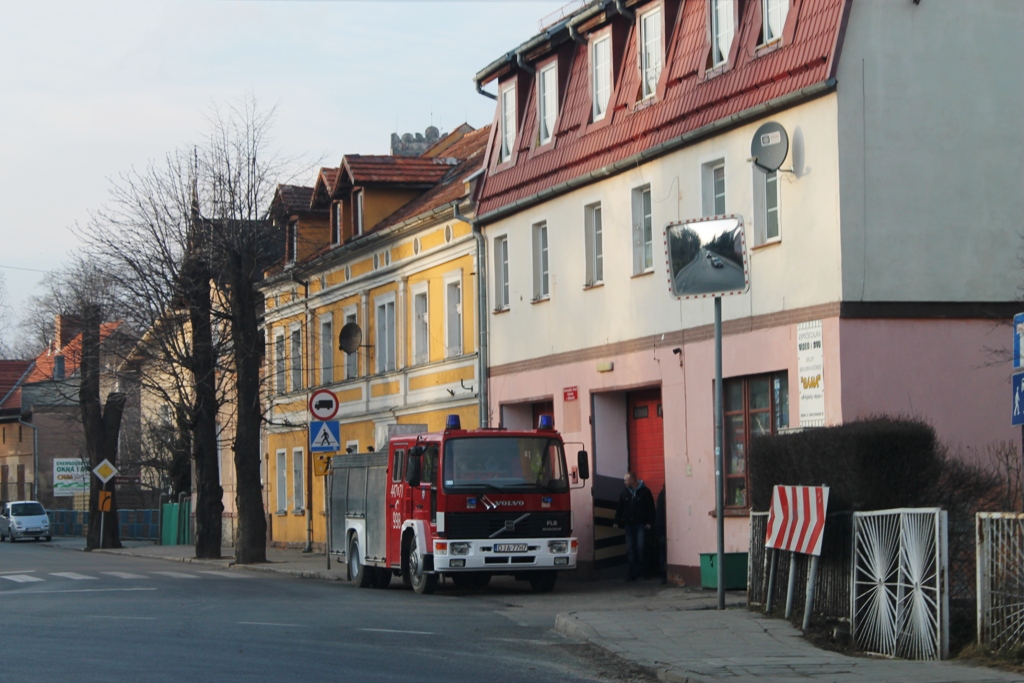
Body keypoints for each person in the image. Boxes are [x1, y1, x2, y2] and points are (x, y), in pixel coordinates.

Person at [613, 472, 656, 582]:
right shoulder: (625, 492)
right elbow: (620, 507)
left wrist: (650, 522)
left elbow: (651, 508)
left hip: (641, 524)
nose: (624, 482)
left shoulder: (645, 492)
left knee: (641, 548)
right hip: (629, 525)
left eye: (626, 480)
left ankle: (644, 571)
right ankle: (632, 573)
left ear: (633, 480)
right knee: (630, 549)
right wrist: (616, 521)